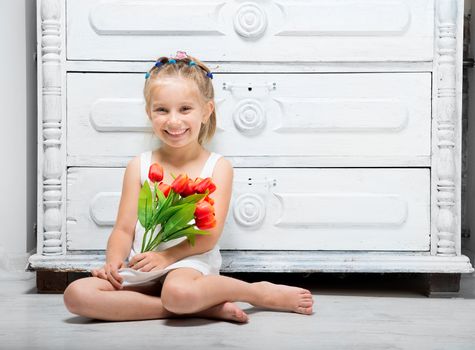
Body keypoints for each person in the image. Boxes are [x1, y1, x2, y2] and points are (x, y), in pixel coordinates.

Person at [63, 51, 314, 323]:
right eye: (162, 110)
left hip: (188, 262)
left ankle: (256, 292)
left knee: (179, 291)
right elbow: (123, 229)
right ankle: (202, 307)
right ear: (149, 113)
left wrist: (168, 257)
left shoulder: (217, 167)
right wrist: (113, 262)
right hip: (143, 263)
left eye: (185, 109)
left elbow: (209, 235)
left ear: (206, 110)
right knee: (77, 294)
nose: (173, 121)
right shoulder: (140, 165)